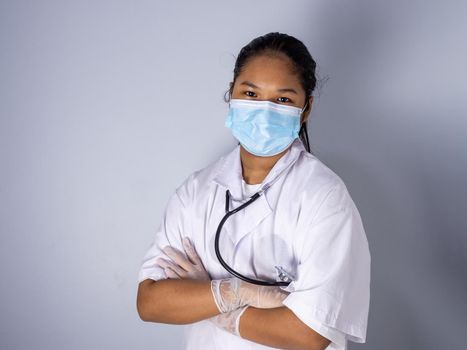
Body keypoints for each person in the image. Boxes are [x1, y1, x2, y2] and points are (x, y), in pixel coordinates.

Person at [136, 32, 371, 350]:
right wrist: (237, 292)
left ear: (306, 108)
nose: (264, 110)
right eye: (250, 93)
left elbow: (309, 334)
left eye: (283, 99)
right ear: (230, 95)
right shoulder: (196, 192)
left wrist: (211, 303)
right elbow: (151, 302)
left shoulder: (323, 197)